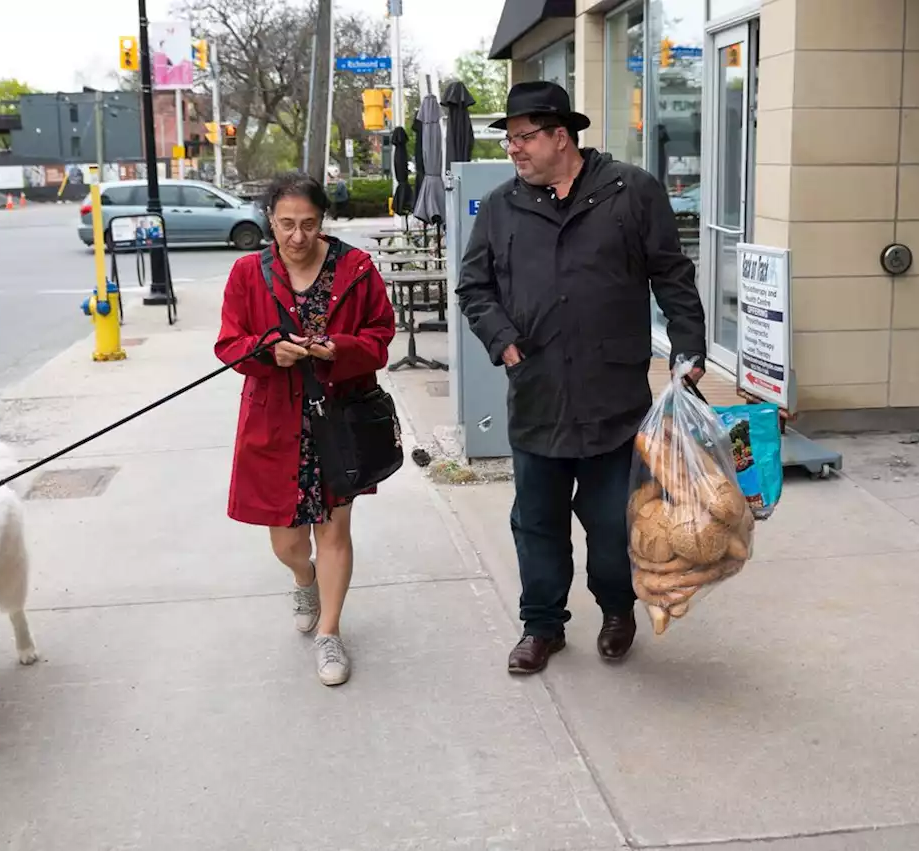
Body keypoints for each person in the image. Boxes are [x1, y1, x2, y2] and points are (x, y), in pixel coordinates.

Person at [456, 81, 707, 675]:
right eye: (510, 139)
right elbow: (474, 287)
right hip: (538, 394)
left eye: (523, 137)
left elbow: (671, 274)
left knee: (614, 525)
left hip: (612, 397)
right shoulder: (500, 207)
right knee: (536, 524)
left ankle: (617, 611)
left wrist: (690, 346)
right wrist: (503, 341)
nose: (513, 149)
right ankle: (542, 626)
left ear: (561, 137)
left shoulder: (630, 192)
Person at [214, 172, 395, 686]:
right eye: (286, 224)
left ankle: (330, 632)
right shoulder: (248, 273)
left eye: (309, 224)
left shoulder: (356, 269)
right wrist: (267, 349)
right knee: (288, 541)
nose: (297, 237)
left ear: (323, 221)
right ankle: (303, 578)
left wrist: (340, 348)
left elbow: (381, 335)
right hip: (274, 420)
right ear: (269, 220)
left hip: (339, 420)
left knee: (335, 529)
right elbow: (229, 343)